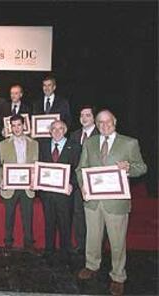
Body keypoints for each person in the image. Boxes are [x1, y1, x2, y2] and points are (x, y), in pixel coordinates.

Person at [76, 110, 147, 296]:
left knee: (117, 242)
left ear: (114, 122)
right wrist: (83, 185)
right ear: (97, 124)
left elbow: (142, 167)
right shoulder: (90, 143)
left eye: (108, 122)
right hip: (92, 201)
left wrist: (129, 168)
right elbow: (80, 168)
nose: (104, 125)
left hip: (116, 202)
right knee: (92, 237)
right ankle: (92, 265)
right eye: (100, 122)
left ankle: (118, 276)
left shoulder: (129, 143)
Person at [39, 120, 81, 266]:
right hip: (47, 193)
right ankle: (49, 250)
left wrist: (72, 184)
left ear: (65, 130)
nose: (57, 131)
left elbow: (78, 170)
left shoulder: (75, 147)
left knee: (65, 223)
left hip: (65, 194)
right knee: (49, 222)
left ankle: (65, 251)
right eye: (54, 129)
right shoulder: (43, 146)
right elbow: (39, 167)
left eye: (60, 128)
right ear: (50, 131)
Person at [0, 115, 39, 256]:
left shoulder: (34, 144)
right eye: (13, 125)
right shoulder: (2, 145)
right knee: (9, 217)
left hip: (28, 187)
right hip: (9, 187)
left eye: (19, 125)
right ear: (10, 127)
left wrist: (36, 181)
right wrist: (0, 180)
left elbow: (37, 166)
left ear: (24, 125)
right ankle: (8, 243)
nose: (16, 128)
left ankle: (29, 244)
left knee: (28, 216)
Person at [70, 105, 99, 254]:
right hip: (77, 183)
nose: (84, 118)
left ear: (94, 118)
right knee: (78, 214)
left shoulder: (101, 134)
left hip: (95, 183)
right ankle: (81, 245)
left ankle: (94, 247)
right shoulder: (74, 135)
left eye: (88, 115)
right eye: (82, 115)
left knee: (95, 216)